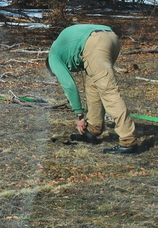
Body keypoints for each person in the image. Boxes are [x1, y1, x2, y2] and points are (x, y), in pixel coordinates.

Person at [46, 24, 138, 154]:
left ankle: (128, 141)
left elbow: (69, 85)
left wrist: (79, 115)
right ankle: (93, 130)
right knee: (93, 86)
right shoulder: (61, 47)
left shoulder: (53, 57)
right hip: (111, 37)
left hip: (94, 43)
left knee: (108, 91)